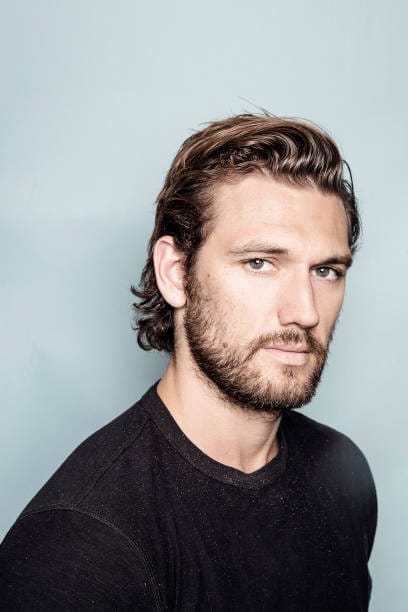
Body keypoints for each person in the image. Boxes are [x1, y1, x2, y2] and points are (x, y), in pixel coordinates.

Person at [0, 114, 377, 611]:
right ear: (176, 273)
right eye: (260, 263)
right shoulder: (82, 546)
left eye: (326, 271)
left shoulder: (342, 474)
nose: (305, 312)